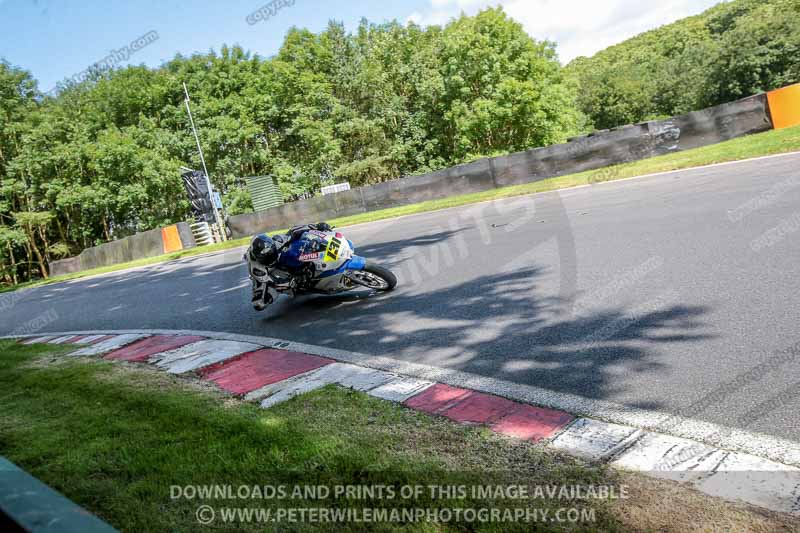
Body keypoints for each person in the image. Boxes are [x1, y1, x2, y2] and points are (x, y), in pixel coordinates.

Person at [246, 222, 333, 310]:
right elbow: (271, 281)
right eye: (267, 257)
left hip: (280, 258)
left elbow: (293, 231)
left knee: (298, 240)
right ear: (259, 258)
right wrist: (288, 282)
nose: (270, 257)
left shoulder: (277, 241)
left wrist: (317, 226)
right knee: (260, 303)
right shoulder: (257, 269)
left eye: (271, 253)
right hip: (267, 274)